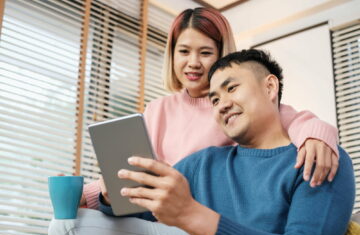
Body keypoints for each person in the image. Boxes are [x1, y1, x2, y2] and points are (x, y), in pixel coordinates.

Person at [49, 49, 354, 235]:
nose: (221, 104)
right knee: (67, 225)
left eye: (231, 88)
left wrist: (192, 215)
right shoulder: (203, 163)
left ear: (270, 87)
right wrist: (110, 195)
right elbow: (144, 213)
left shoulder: (319, 158)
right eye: (214, 99)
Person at [81, 7, 339, 211]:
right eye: (183, 51)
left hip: (206, 215)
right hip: (159, 213)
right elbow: (135, 171)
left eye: (205, 53)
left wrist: (316, 136)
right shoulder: (157, 110)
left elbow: (299, 121)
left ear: (221, 54)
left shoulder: (234, 107)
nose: (192, 63)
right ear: (172, 54)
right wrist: (90, 193)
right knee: (75, 219)